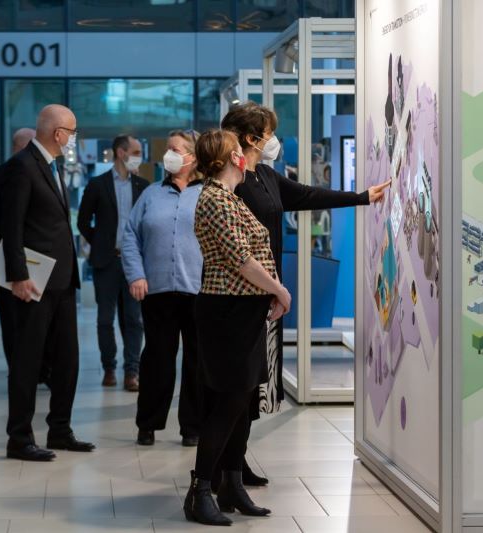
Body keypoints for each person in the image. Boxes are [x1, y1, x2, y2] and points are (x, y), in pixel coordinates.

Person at [216, 102, 391, 489]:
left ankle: (235, 464)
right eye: (268, 131)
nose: (273, 139)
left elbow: (309, 196)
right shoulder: (230, 181)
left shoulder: (264, 175)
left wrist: (362, 197)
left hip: (266, 300)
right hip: (243, 298)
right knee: (238, 389)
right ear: (251, 138)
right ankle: (223, 472)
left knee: (256, 388)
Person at [184, 129, 288, 526]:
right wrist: (280, 290)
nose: (246, 156)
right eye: (239, 152)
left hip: (244, 310)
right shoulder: (213, 198)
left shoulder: (228, 197)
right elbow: (242, 259)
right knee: (227, 403)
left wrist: (270, 294)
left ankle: (231, 484)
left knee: (242, 401)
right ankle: (201, 490)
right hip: (226, 311)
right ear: (230, 158)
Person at [1, 104, 95, 462]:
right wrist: (18, 276)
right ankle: (19, 438)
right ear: (58, 133)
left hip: (62, 282)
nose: (74, 138)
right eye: (72, 131)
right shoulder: (22, 167)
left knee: (67, 359)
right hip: (35, 282)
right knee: (28, 360)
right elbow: (11, 227)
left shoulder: (52, 166)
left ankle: (60, 429)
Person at [121, 129, 203, 447]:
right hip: (156, 290)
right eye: (167, 148)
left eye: (175, 149)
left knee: (197, 360)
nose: (167, 154)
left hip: (198, 290)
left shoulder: (209, 192)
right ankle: (148, 424)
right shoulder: (151, 194)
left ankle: (192, 427)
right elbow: (130, 236)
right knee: (156, 359)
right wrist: (136, 275)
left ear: (192, 157)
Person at [77, 135, 148, 391]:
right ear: (121, 152)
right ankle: (109, 367)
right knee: (105, 319)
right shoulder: (97, 185)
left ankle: (132, 371)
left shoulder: (143, 185)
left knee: (134, 319)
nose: (140, 156)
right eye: (137, 151)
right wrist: (101, 242)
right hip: (106, 261)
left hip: (134, 264)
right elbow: (83, 221)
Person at [0, 128, 36, 367]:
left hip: (38, 259)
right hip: (6, 259)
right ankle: (17, 367)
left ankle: (39, 368)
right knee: (11, 319)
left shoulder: (46, 172)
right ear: (21, 147)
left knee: (37, 319)